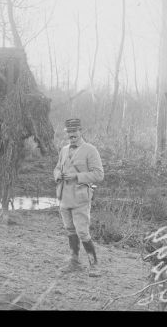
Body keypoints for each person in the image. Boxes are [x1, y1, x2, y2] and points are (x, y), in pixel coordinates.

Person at [54, 118, 104, 277]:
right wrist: (58, 176)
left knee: (82, 231)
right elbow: (56, 168)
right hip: (64, 197)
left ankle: (94, 265)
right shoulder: (63, 150)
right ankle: (74, 261)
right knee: (70, 229)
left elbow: (99, 175)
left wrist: (76, 176)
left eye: (74, 131)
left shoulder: (90, 150)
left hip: (81, 198)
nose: (71, 135)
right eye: (69, 132)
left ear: (81, 131)